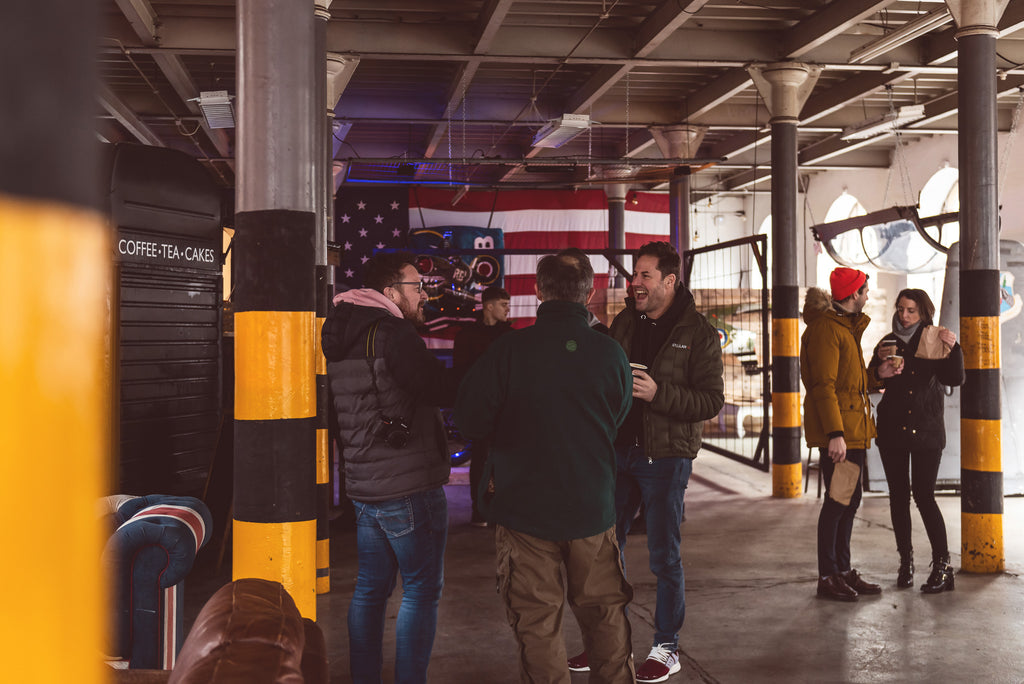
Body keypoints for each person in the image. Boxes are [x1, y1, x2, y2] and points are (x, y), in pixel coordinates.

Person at [454, 251, 635, 684]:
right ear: (589, 294)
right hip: (592, 508)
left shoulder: (508, 351)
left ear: (537, 291)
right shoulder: (611, 354)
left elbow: (470, 420)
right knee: (605, 618)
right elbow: (619, 417)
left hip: (524, 510)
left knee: (537, 625)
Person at [570, 240, 724, 683]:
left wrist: (660, 394)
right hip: (618, 454)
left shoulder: (697, 332)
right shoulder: (623, 323)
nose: (634, 283)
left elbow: (711, 399)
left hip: (666, 458)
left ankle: (666, 645)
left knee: (663, 556)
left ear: (669, 281)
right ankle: (607, 641)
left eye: (644, 276)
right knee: (603, 550)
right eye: (634, 275)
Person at [321, 251, 459, 684]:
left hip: (365, 485)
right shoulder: (393, 333)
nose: (424, 295)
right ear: (389, 292)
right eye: (416, 287)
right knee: (420, 590)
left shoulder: (343, 331)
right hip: (408, 484)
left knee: (370, 590)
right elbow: (435, 387)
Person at [801, 267, 900, 603]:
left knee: (849, 499)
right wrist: (835, 433)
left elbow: (849, 382)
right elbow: (823, 386)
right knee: (839, 501)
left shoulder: (845, 328)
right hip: (842, 431)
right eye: (865, 290)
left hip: (853, 429)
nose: (868, 295)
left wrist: (878, 375)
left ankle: (842, 570)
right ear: (854, 293)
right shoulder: (828, 330)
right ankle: (828, 575)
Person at [867, 288, 964, 593]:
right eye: (900, 309)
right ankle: (906, 562)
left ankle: (943, 566)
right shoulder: (887, 343)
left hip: (926, 430)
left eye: (911, 310)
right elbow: (871, 378)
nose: (904, 316)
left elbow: (953, 379)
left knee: (924, 496)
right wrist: (879, 369)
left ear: (923, 312)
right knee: (898, 496)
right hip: (893, 429)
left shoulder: (935, 338)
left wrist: (955, 347)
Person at [452, 286, 512, 526]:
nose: (508, 309)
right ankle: (480, 510)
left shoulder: (510, 336)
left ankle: (500, 509)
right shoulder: (467, 336)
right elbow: (460, 373)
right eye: (503, 304)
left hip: (506, 408)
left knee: (505, 458)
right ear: (489, 306)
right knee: (480, 457)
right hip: (480, 406)